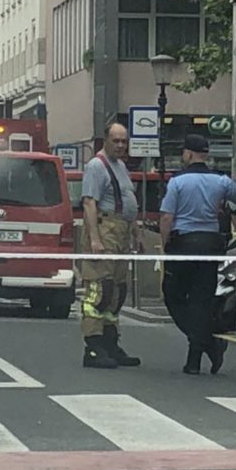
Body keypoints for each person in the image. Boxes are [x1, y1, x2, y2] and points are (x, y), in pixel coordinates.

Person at [160, 134, 236, 375]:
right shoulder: (221, 181)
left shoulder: (177, 182)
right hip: (211, 244)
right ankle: (194, 359)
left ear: (189, 153)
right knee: (201, 300)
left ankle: (207, 342)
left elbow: (166, 217)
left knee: (172, 295)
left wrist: (165, 246)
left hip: (183, 243)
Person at [80, 122, 142, 369]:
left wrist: (135, 230)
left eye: (124, 141)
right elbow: (89, 203)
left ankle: (110, 343)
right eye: (115, 141)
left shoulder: (121, 166)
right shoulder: (97, 166)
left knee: (117, 289)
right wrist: (94, 238)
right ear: (105, 140)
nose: (120, 145)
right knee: (100, 289)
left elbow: (127, 200)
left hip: (121, 231)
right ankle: (93, 347)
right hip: (105, 230)